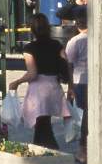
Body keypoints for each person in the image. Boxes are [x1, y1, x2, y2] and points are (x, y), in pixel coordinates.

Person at [9, 14, 68, 149]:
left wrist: (17, 82)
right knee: (43, 123)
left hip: (39, 90)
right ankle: (41, 149)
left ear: (32, 29)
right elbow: (66, 65)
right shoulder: (57, 45)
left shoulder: (29, 48)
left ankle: (50, 151)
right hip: (54, 86)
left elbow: (32, 73)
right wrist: (70, 86)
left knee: (42, 124)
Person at [65, 8, 89, 164]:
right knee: (90, 116)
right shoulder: (99, 37)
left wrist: (70, 87)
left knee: (85, 115)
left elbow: (69, 64)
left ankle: (83, 150)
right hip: (97, 81)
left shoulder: (75, 41)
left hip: (81, 81)